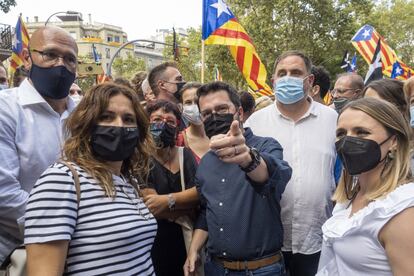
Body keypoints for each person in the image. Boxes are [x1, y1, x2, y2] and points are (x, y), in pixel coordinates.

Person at [24, 83, 158, 275]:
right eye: (106, 117)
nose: (119, 125)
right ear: (87, 125)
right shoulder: (61, 180)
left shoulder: (128, 181)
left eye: (128, 119)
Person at [184, 81, 292, 276]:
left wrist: (247, 158)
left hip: (262, 270)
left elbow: (272, 177)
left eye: (222, 108)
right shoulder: (206, 163)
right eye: (207, 113)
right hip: (216, 268)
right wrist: (193, 249)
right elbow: (208, 212)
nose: (214, 116)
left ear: (239, 113)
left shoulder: (266, 146)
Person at [245, 51, 338, 276]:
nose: (288, 78)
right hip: (269, 242)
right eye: (282, 73)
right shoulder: (255, 123)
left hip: (317, 236)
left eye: (296, 73)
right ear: (274, 81)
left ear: (310, 80)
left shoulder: (333, 120)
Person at [0, 26, 78, 265]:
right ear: (26, 57)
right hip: (20, 254)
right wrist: (67, 227)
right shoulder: (5, 109)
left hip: (81, 253)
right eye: (50, 54)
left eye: (70, 59)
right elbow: (5, 195)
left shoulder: (84, 115)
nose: (60, 64)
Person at [317, 98, 414, 276]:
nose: (347, 141)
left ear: (393, 142)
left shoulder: (402, 210)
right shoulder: (351, 196)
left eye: (362, 132)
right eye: (341, 133)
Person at [145, 99, 199, 276]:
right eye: (157, 120)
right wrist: (186, 204)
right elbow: (152, 207)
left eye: (170, 121)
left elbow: (200, 193)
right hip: (153, 243)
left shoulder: (186, 154)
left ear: (177, 127)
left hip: (185, 240)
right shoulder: (140, 159)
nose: (163, 125)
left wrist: (167, 201)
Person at [180, 82, 210, 162]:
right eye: (188, 102)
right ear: (181, 107)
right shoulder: (179, 141)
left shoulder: (222, 134)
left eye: (197, 101)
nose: (194, 106)